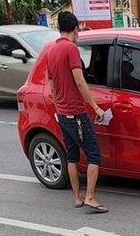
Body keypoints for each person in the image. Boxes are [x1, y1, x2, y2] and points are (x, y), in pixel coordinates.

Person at [46, 11, 108, 213]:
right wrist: (96, 107)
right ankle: (90, 196)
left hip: (63, 114)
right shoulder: (71, 50)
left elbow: (52, 85)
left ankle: (78, 197)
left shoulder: (51, 51)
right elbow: (80, 81)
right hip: (77, 113)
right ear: (76, 28)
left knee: (71, 156)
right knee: (94, 155)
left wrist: (58, 107)